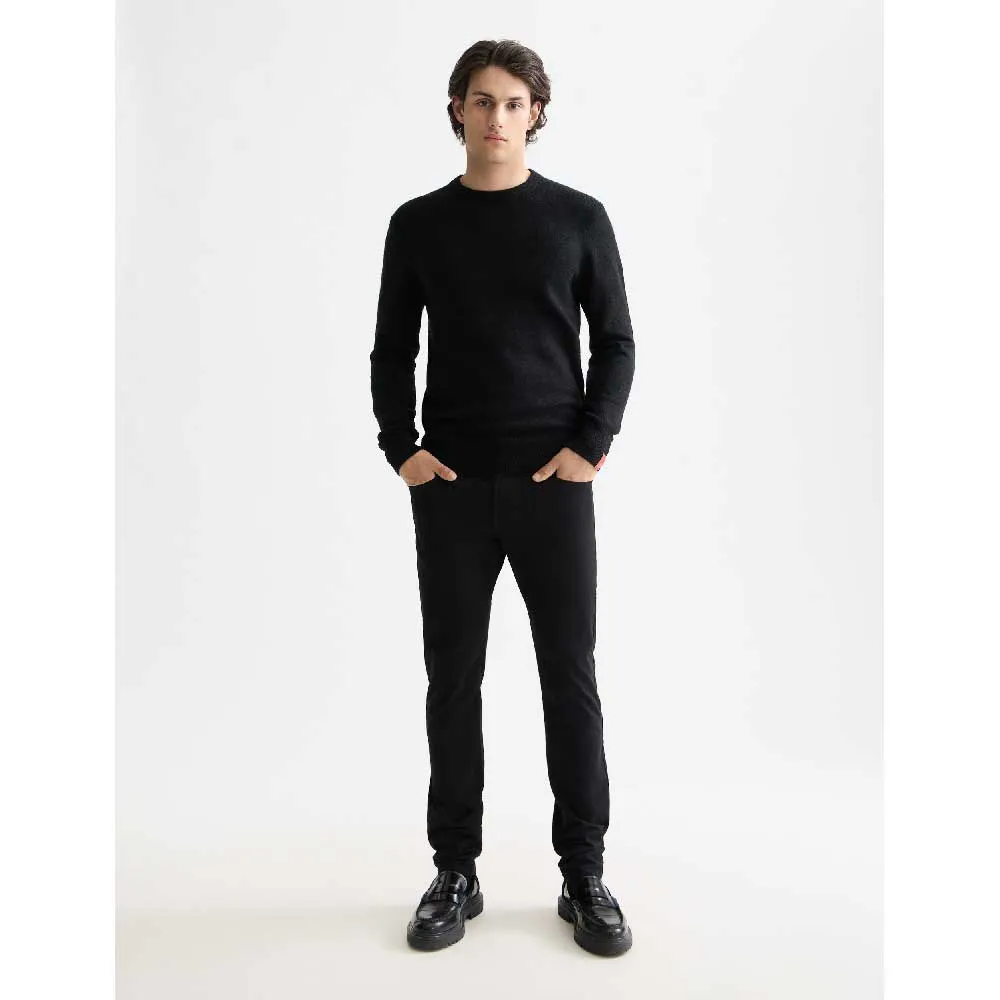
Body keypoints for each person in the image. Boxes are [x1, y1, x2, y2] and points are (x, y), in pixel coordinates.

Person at [369, 39, 636, 958]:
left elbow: (617, 340)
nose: (496, 117)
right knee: (453, 680)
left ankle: (584, 872)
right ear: (457, 109)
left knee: (569, 675)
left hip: (552, 486)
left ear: (536, 114)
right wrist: (401, 448)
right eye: (481, 100)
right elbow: (392, 347)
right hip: (449, 489)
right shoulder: (419, 224)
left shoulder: (578, 218)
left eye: (513, 103)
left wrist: (589, 445)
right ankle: (456, 870)